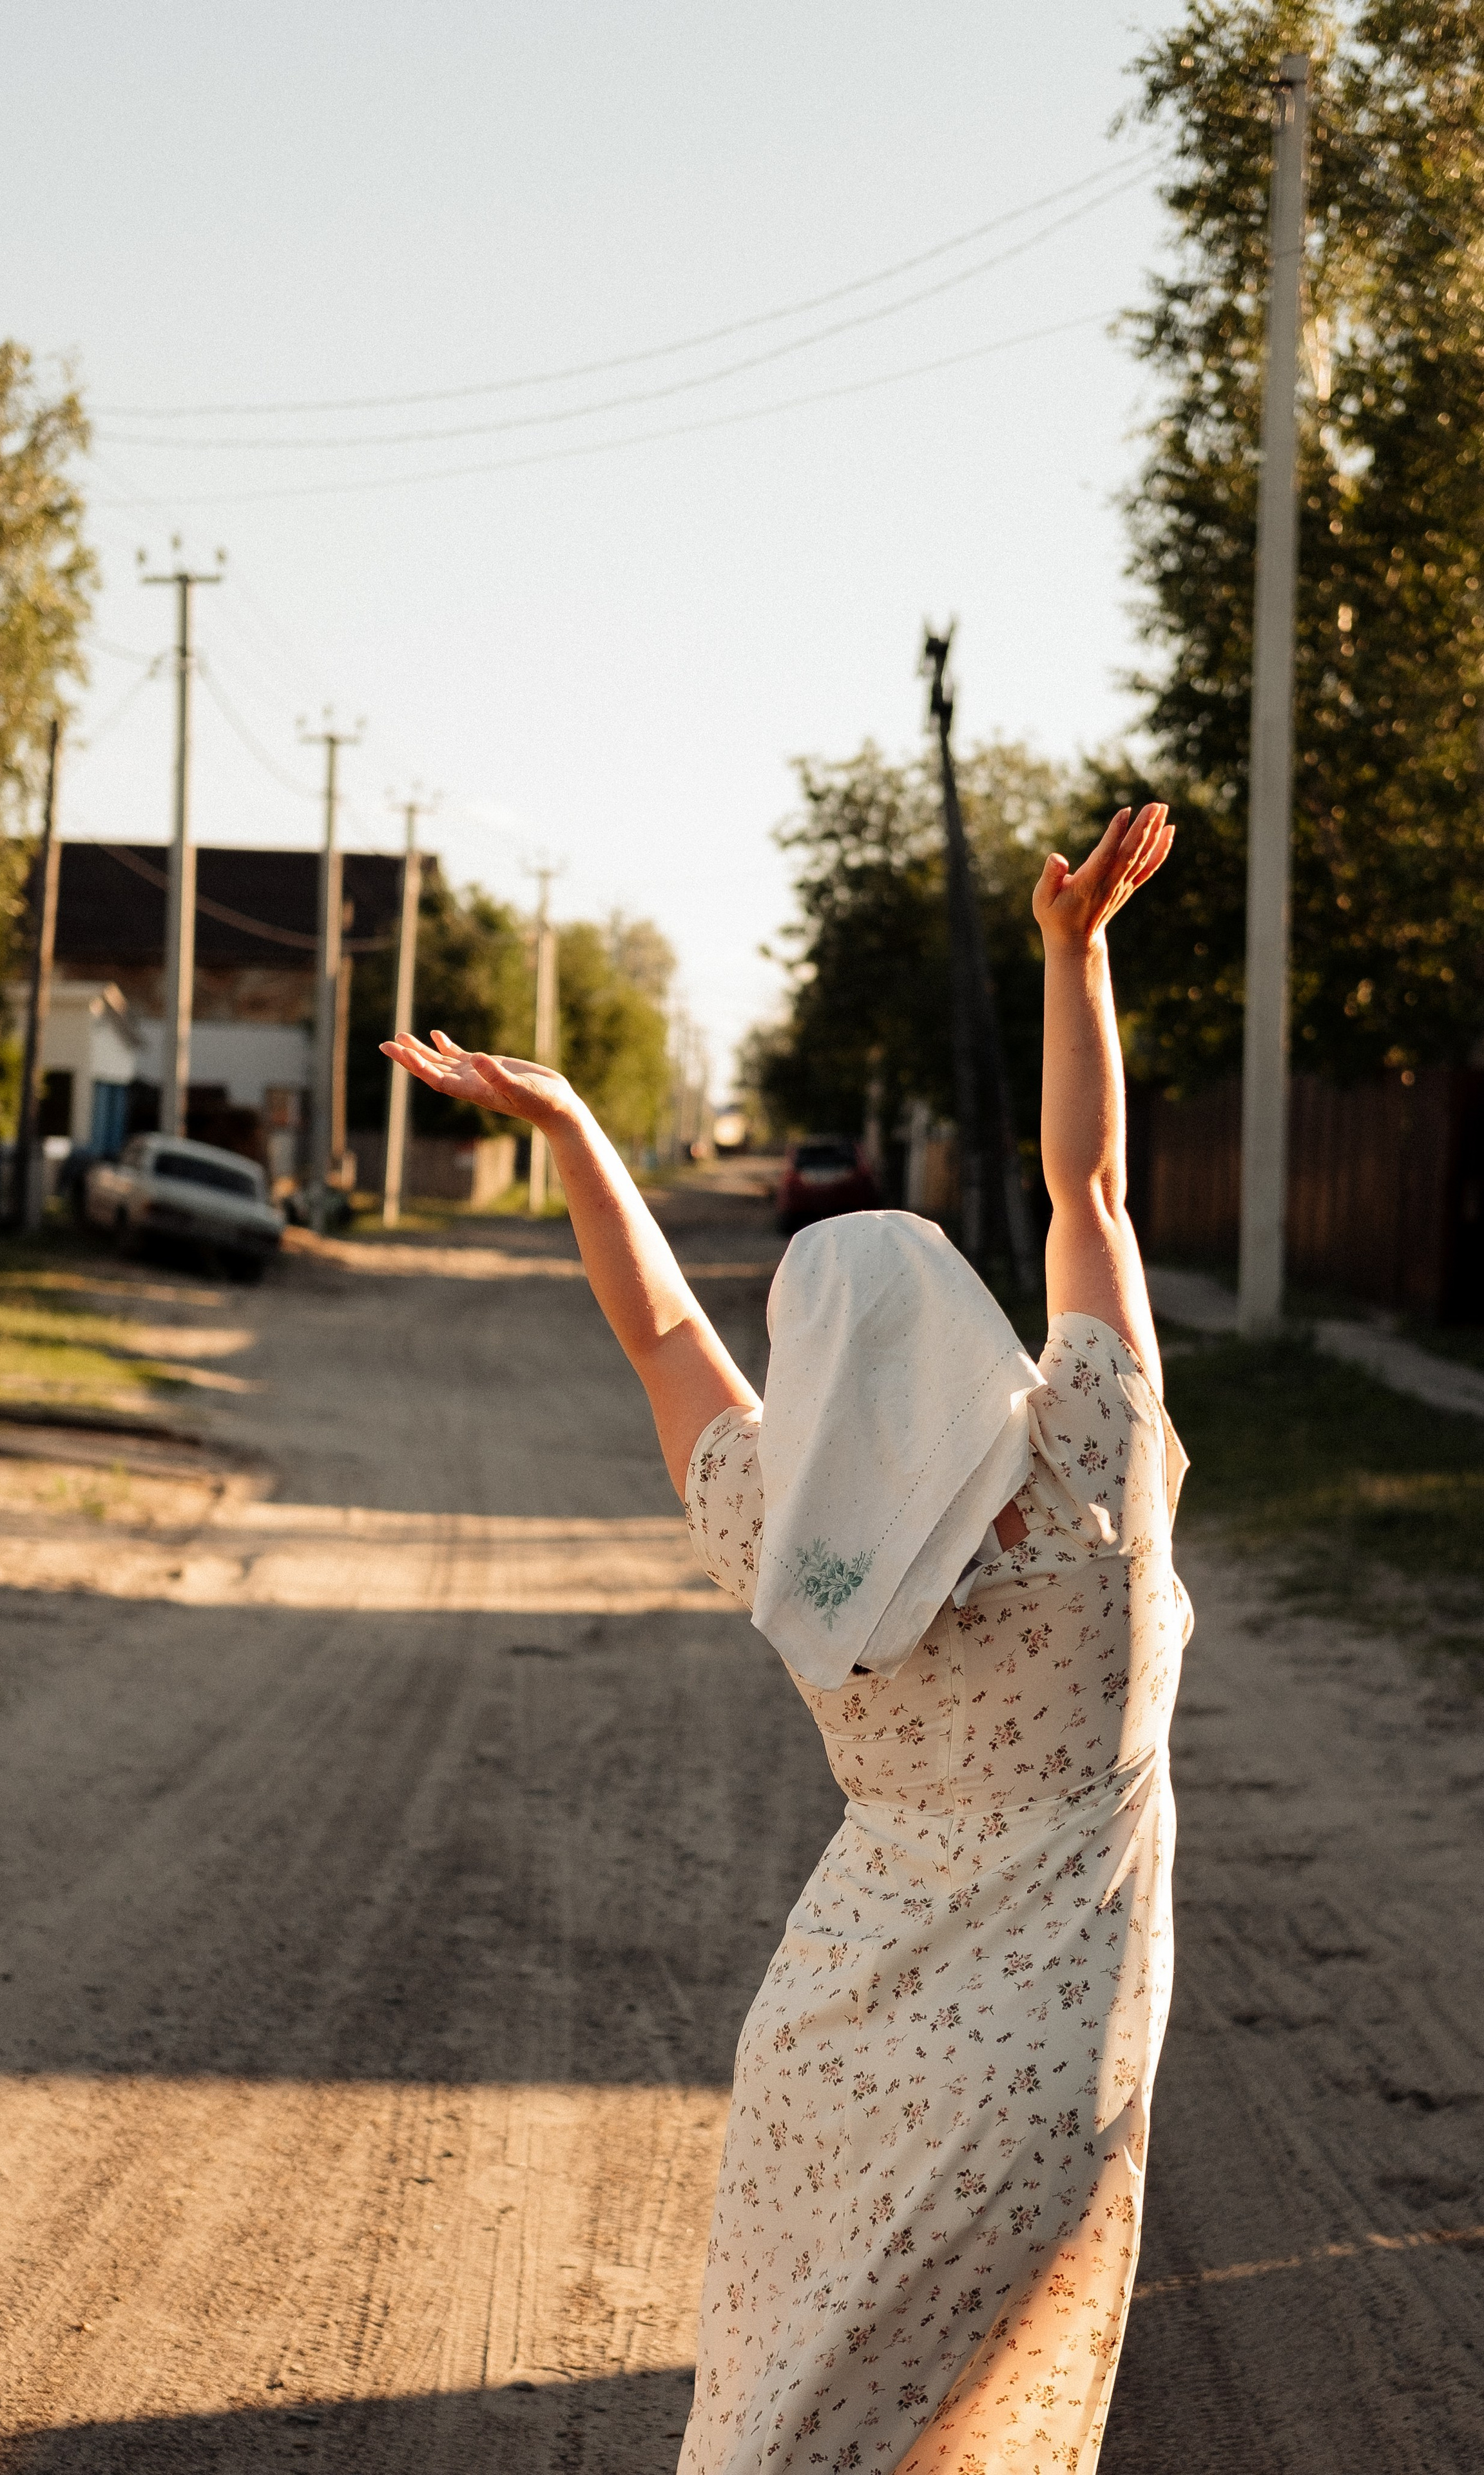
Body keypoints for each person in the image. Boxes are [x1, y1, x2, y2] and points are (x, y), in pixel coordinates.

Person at [382, 802, 1188, 2475]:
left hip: (823, 2044)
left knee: (786, 2426)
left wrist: (574, 1124)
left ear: (822, 1397)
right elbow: (1086, 1185)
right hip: (1034, 2081)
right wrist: (1073, 950)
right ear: (971, 1340)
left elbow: (662, 1322)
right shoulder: (1096, 1483)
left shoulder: (787, 1532)